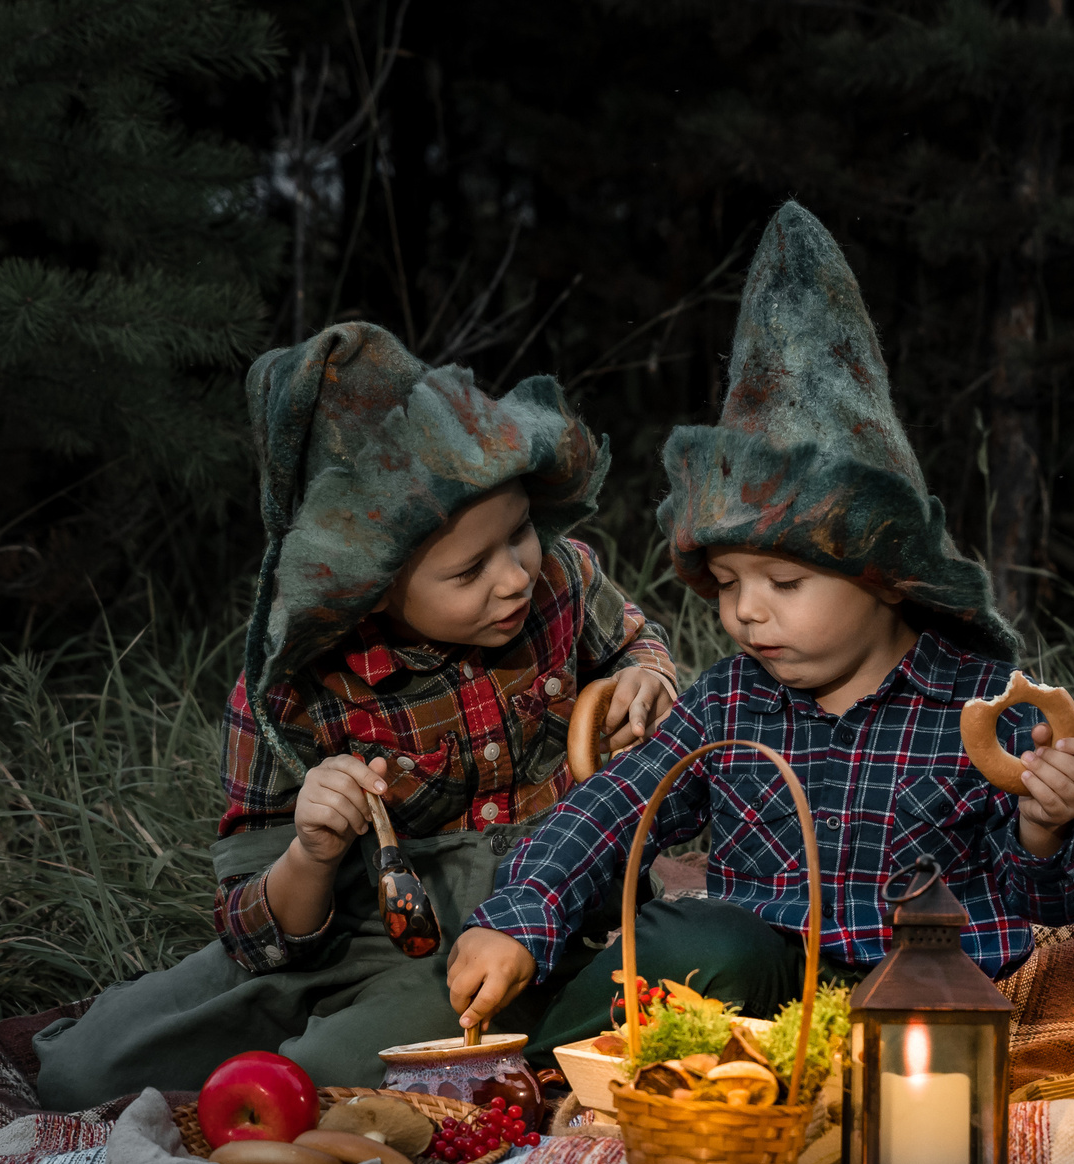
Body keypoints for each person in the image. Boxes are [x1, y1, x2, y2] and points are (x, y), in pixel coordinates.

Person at [446, 203, 1074, 1057]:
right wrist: (518, 915)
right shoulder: (732, 702)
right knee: (694, 941)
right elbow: (613, 808)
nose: (747, 611)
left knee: (912, 1017)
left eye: (784, 583)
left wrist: (1048, 826)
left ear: (884, 573)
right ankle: (519, 1060)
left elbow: (1054, 902)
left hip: (919, 1003)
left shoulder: (976, 704)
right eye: (727, 583)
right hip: (757, 983)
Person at [33, 322, 675, 1110]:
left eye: (519, 535)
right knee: (82, 1073)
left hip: (514, 926)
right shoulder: (291, 691)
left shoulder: (560, 584)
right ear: (366, 586)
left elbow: (637, 646)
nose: (513, 577)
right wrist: (311, 849)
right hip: (346, 925)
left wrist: (646, 681)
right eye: (470, 570)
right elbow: (256, 930)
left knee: (322, 1080)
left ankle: (317, 1082)